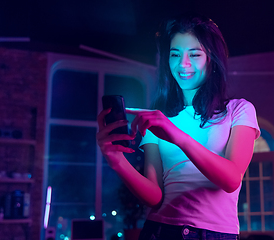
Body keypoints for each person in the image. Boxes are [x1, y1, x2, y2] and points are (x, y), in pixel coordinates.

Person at [96, 13, 260, 240]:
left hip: (214, 234)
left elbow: (231, 179)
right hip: (160, 231)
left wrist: (177, 136)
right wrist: (117, 161)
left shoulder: (238, 110)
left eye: (194, 54)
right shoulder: (158, 119)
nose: (183, 64)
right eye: (175, 54)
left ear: (212, 59)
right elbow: (154, 197)